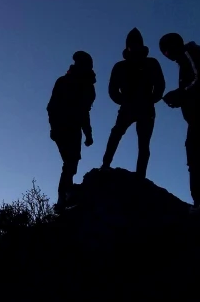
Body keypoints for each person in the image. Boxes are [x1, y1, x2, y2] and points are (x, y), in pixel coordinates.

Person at [159, 32, 200, 215]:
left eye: (166, 51)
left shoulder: (190, 55)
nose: (167, 56)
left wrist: (179, 94)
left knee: (195, 156)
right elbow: (194, 88)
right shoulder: (186, 59)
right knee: (195, 157)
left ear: (172, 47)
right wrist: (180, 99)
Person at [101, 28, 166, 179]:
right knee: (116, 134)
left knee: (144, 143)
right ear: (127, 47)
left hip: (146, 108)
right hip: (127, 108)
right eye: (131, 45)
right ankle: (105, 165)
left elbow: (160, 84)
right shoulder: (120, 66)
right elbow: (112, 89)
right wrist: (123, 101)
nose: (134, 47)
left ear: (141, 45)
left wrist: (151, 99)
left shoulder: (151, 63)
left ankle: (140, 176)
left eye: (137, 44)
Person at [46, 50, 96, 211]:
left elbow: (84, 112)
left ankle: (65, 195)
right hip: (63, 127)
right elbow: (52, 107)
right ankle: (64, 197)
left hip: (72, 129)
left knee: (71, 162)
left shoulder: (87, 88)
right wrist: (54, 127)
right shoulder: (63, 82)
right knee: (70, 162)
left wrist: (88, 134)